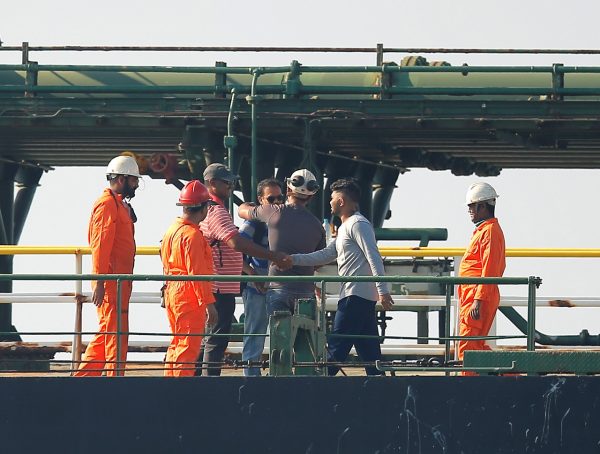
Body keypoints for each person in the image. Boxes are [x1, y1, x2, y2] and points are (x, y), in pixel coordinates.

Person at [280, 178, 394, 376]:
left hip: (354, 297)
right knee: (370, 353)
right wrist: (293, 259)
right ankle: (380, 389)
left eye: (332, 198)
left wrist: (383, 291)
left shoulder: (358, 224)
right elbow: (326, 254)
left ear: (341, 201)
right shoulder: (345, 228)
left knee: (335, 348)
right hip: (360, 297)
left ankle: (315, 387)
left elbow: (373, 256)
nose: (330, 202)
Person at [199, 163, 284, 376]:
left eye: (279, 199)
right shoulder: (219, 213)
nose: (231, 186)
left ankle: (199, 383)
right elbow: (237, 244)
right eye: (271, 199)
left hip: (226, 285)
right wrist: (260, 267)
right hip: (224, 286)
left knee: (213, 339)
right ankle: (222, 382)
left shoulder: (212, 210)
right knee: (218, 339)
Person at [74, 155, 141, 377]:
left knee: (108, 333)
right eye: (134, 180)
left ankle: (82, 380)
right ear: (121, 179)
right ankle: (114, 382)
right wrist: (100, 282)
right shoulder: (107, 205)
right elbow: (101, 246)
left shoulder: (118, 205)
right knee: (115, 334)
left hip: (119, 283)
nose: (137, 184)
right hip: (113, 284)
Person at [238, 168, 326, 316]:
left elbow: (242, 210)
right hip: (306, 291)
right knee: (304, 338)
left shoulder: (273, 211)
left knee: (280, 337)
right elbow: (320, 259)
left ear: (288, 189)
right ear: (311, 197)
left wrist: (255, 206)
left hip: (279, 288)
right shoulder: (317, 225)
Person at [161, 180, 218, 377]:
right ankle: (180, 393)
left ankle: (170, 387)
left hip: (173, 292)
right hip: (188, 296)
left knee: (177, 344)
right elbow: (197, 274)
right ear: (202, 208)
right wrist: (209, 304)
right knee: (188, 346)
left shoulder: (172, 230)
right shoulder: (192, 235)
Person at [457, 182, 506, 373]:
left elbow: (490, 268)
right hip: (475, 295)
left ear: (482, 206)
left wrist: (478, 299)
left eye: (471, 207)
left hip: (477, 296)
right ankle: (513, 377)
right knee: (476, 346)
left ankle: (466, 388)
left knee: (468, 348)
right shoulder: (485, 230)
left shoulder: (490, 232)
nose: (469, 211)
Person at [239, 178, 285, 376]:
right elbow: (234, 247)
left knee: (282, 333)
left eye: (280, 198)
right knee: (255, 332)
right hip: (259, 284)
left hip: (280, 284)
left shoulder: (284, 220)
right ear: (260, 200)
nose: (276, 202)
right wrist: (252, 274)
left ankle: (275, 374)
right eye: (271, 198)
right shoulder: (254, 223)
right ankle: (252, 379)